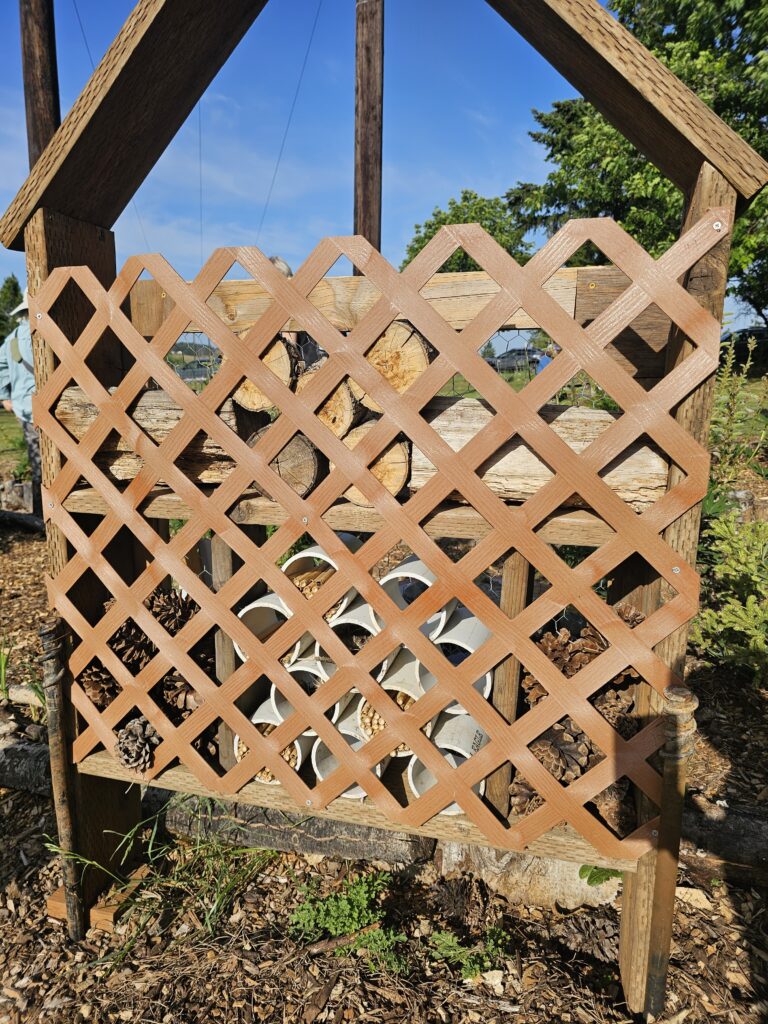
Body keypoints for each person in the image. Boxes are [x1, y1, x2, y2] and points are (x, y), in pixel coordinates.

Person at [0, 290, 42, 517]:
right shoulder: (47, 332)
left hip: (25, 409)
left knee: (39, 465)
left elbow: (1, 366)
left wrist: (6, 398)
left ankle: (42, 516)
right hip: (54, 408)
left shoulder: (13, 338)